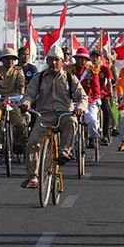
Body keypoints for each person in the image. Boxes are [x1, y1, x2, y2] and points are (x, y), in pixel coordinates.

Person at [19, 45, 87, 188]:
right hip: (44, 115)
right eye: (51, 60)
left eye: (57, 60)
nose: (54, 63)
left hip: (65, 114)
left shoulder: (70, 78)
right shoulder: (40, 77)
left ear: (62, 62)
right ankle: (33, 176)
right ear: (47, 60)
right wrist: (26, 103)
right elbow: (29, 94)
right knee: (33, 142)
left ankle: (64, 152)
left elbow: (82, 96)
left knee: (72, 121)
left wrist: (80, 108)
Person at [0, 47, 27, 156]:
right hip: (0, 100)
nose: (9, 61)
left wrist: (21, 95)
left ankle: (18, 143)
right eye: (7, 59)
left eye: (12, 59)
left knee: (21, 123)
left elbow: (21, 84)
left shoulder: (18, 71)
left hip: (13, 101)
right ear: (3, 60)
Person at [69, 47, 102, 149]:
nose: (81, 61)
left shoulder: (92, 71)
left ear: (87, 60)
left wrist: (97, 98)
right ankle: (69, 146)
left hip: (88, 100)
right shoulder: (69, 71)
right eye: (79, 58)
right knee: (68, 121)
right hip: (72, 100)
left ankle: (93, 138)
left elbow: (96, 86)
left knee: (92, 120)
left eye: (83, 59)